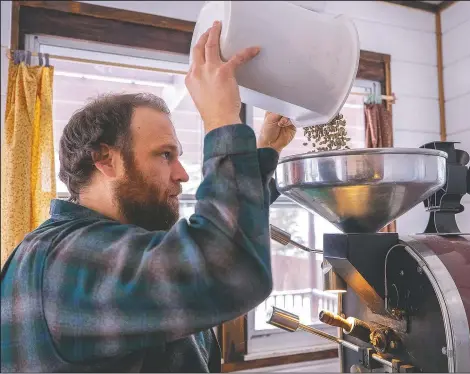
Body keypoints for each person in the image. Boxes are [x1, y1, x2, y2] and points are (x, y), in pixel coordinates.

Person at [1, 21, 296, 372]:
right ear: (105, 160)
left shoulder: (108, 247)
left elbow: (205, 257)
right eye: (164, 155)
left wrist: (265, 152)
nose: (183, 174)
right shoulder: (66, 259)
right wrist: (221, 119)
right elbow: (226, 269)